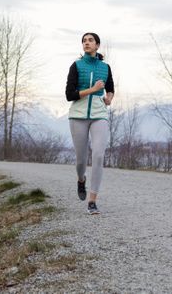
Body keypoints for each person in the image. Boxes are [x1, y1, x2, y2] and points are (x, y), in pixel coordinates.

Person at [65, 32, 114, 214]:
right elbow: (69, 94)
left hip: (99, 114)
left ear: (97, 45)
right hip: (78, 115)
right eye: (84, 41)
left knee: (99, 155)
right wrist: (92, 90)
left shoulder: (105, 67)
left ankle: (92, 200)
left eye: (90, 40)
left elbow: (110, 89)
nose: (87, 43)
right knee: (81, 160)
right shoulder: (76, 66)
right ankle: (81, 179)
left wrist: (108, 98)